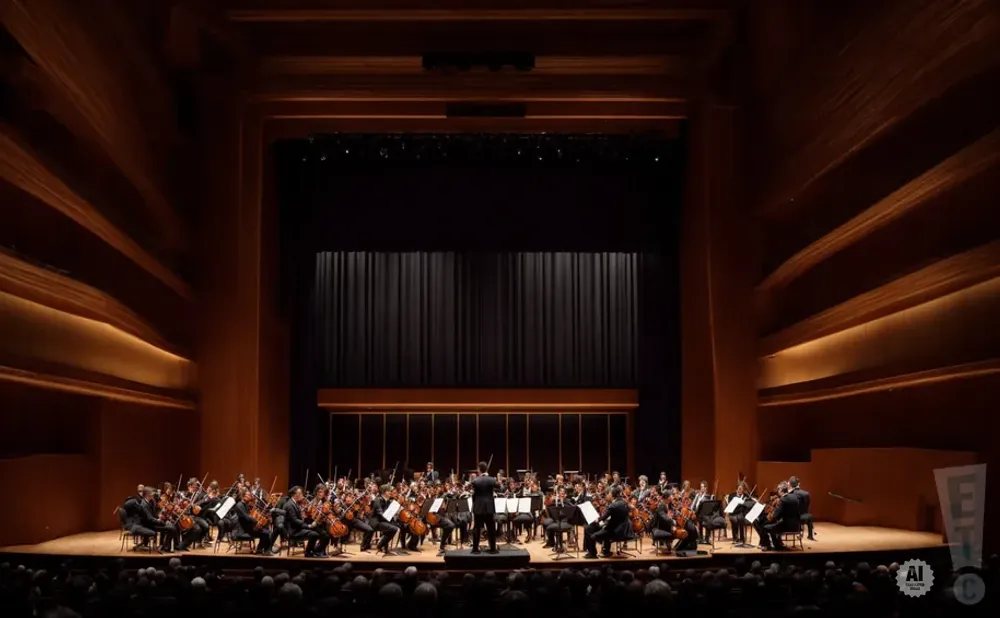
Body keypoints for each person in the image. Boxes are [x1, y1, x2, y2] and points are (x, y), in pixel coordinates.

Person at [585, 487, 629, 558]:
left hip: (614, 531)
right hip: (624, 529)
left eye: (609, 493)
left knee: (591, 534)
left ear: (612, 494)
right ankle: (606, 550)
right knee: (594, 528)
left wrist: (596, 520)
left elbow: (602, 518)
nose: (607, 495)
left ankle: (593, 554)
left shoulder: (613, 505)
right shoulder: (624, 502)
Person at [283, 486, 323, 557]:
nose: (302, 495)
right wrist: (308, 526)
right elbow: (294, 520)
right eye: (301, 493)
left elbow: (298, 518)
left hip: (297, 528)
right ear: (296, 494)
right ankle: (308, 552)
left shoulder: (294, 503)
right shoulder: (289, 505)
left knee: (317, 531)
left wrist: (303, 516)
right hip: (294, 531)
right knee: (314, 534)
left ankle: (312, 551)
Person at [234, 488, 274, 555]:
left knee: (267, 530)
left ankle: (263, 549)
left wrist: (261, 518)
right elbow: (247, 517)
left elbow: (252, 515)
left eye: (250, 495)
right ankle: (263, 549)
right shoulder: (239, 505)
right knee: (266, 533)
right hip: (245, 529)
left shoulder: (246, 504)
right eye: (248, 495)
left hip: (250, 526)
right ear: (243, 496)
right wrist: (256, 521)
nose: (250, 497)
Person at [471, 460, 497, 554]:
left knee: (477, 528)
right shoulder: (492, 480)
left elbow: (473, 493)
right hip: (489, 507)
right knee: (491, 528)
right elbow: (498, 486)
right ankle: (493, 548)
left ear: (479, 469)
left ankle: (475, 548)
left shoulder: (475, 481)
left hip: (478, 507)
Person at [368, 484, 400, 555]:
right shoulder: (377, 500)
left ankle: (383, 545)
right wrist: (388, 518)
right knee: (393, 528)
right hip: (376, 522)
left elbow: (388, 513)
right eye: (389, 491)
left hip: (382, 521)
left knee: (396, 526)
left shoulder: (387, 500)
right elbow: (380, 513)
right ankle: (381, 545)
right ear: (384, 492)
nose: (390, 493)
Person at [788, 476, 815, 540]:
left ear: (790, 484)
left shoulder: (788, 494)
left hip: (790, 519)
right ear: (799, 483)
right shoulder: (806, 494)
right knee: (809, 516)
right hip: (801, 518)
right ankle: (810, 536)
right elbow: (807, 507)